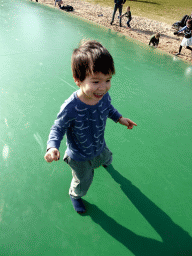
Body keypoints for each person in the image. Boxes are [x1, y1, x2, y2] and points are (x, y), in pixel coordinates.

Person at [44, 40, 137, 214]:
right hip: (79, 156)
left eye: (108, 80)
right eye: (95, 81)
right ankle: (75, 195)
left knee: (106, 157)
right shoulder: (70, 107)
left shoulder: (103, 96)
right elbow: (58, 128)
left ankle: (104, 163)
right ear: (78, 80)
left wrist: (120, 119)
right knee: (83, 180)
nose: (103, 87)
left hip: (99, 145)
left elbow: (108, 108)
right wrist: (52, 147)